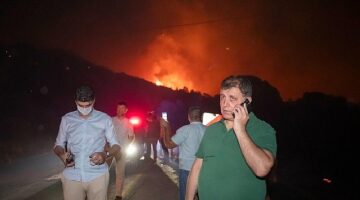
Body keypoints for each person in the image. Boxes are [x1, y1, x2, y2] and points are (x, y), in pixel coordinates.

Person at [186, 76, 277, 200]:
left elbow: (262, 169)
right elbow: (197, 167)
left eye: (232, 98)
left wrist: (240, 129)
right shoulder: (212, 130)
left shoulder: (263, 129)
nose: (225, 104)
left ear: (247, 102)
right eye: (222, 97)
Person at [53, 85, 120, 200]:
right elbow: (58, 145)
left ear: (94, 101)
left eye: (88, 105)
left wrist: (105, 155)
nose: (84, 108)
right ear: (75, 102)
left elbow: (116, 145)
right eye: (80, 105)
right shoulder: (67, 119)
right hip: (72, 176)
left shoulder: (104, 119)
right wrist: (62, 155)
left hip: (97, 176)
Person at [163, 106, 206, 200]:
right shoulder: (208, 130)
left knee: (186, 196)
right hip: (204, 169)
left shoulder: (185, 130)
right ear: (201, 117)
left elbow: (169, 145)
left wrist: (166, 128)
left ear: (189, 117)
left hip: (187, 169)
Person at [108, 101, 135, 200]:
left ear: (126, 110)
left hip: (122, 150)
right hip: (110, 149)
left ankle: (118, 195)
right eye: (118, 108)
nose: (119, 110)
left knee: (120, 173)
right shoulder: (111, 120)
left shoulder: (128, 122)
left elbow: (131, 136)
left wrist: (127, 146)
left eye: (122, 108)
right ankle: (98, 191)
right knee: (103, 171)